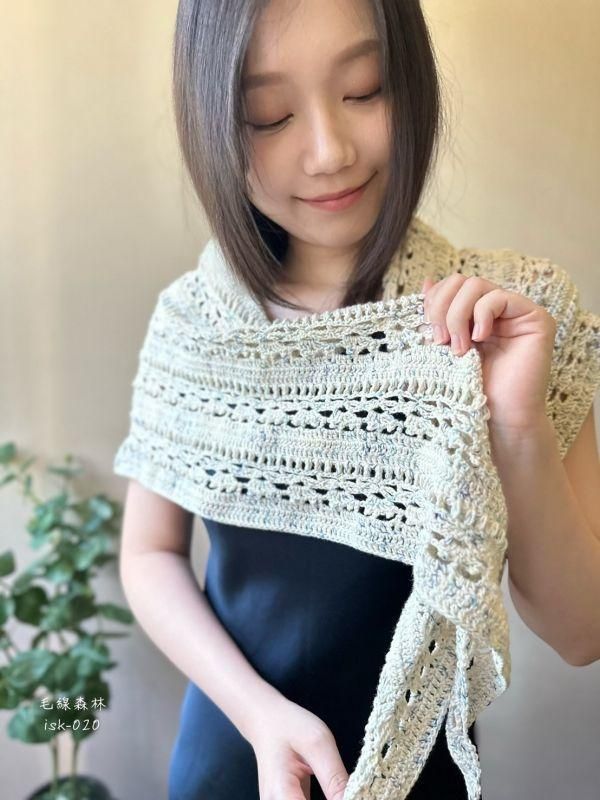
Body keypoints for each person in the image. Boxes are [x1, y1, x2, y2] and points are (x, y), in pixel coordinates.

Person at [116, 1, 600, 799]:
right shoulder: (194, 326)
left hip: (419, 772)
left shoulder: (512, 319)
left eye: (365, 88)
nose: (329, 151)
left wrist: (516, 424)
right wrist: (262, 717)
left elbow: (583, 632)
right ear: (213, 124)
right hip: (234, 759)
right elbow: (149, 555)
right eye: (269, 115)